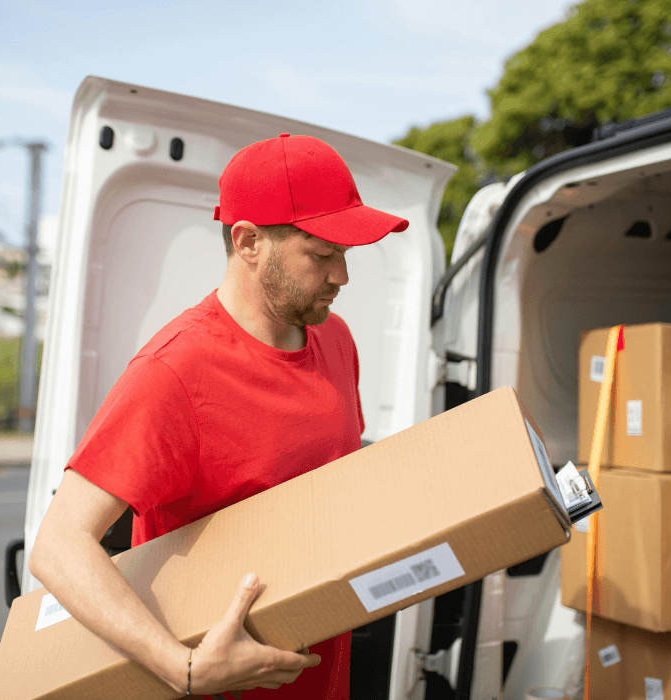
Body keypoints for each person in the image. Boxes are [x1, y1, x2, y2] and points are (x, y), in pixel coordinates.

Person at [29, 133, 409, 698]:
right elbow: (58, 546)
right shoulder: (177, 371)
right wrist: (180, 669)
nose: (341, 277)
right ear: (250, 242)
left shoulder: (336, 342)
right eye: (323, 254)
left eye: (346, 255)